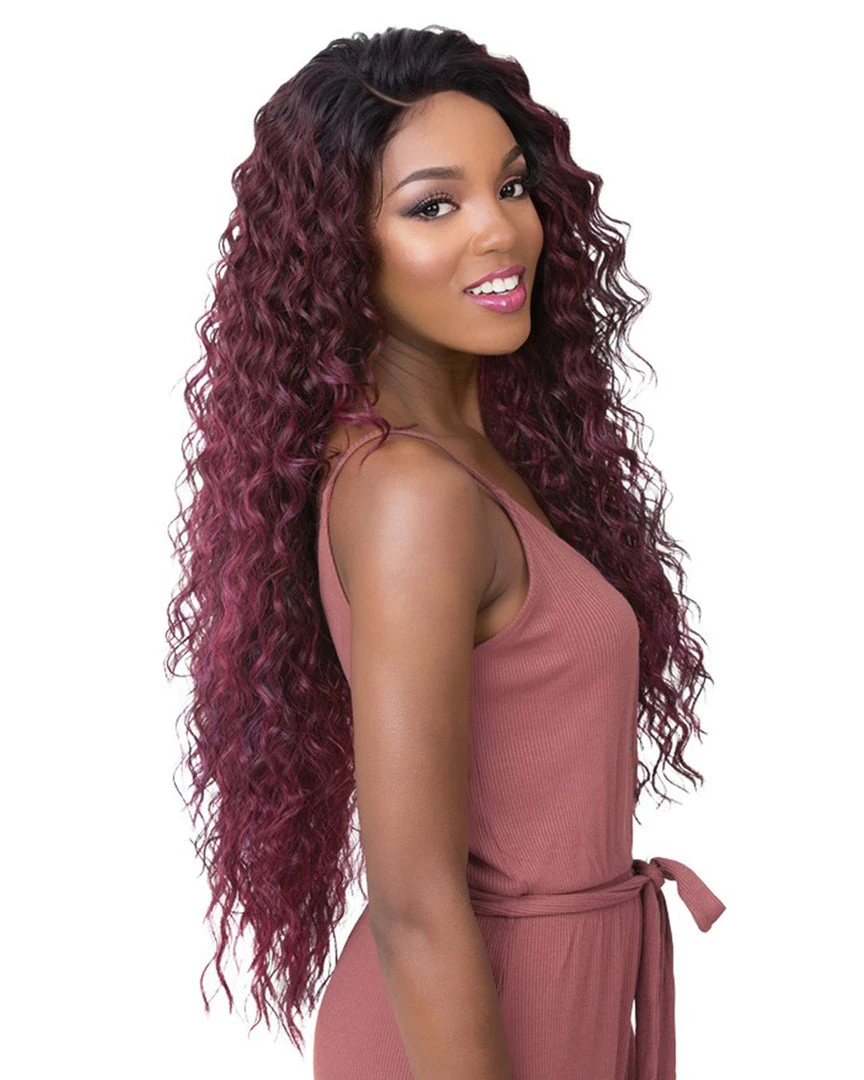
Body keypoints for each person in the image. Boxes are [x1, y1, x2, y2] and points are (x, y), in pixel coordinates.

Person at [166, 24, 726, 1080]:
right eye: (434, 206)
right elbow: (416, 903)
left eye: (510, 187)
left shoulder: (483, 453)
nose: (500, 232)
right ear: (342, 249)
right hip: (470, 1027)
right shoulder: (410, 493)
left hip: (561, 993)